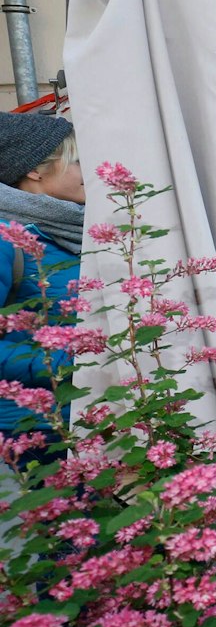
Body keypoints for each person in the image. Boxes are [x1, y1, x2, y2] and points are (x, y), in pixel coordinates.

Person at [0, 114, 85, 455]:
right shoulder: (7, 239)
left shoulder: (70, 229)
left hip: (83, 414)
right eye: (77, 161)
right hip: (36, 430)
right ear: (35, 169)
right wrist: (65, 360)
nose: (88, 171)